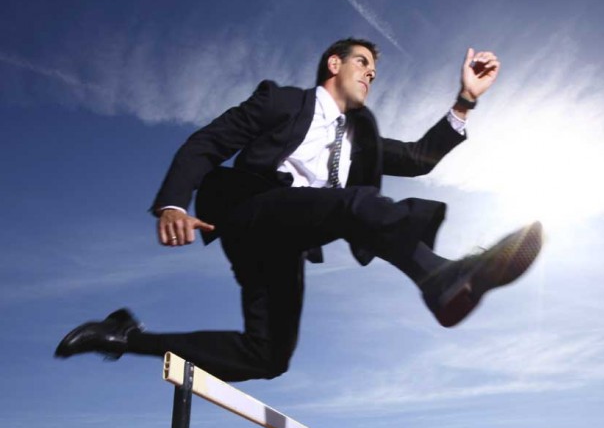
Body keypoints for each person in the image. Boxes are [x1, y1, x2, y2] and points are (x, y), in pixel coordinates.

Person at [54, 37, 542, 382]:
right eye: (362, 63)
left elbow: (418, 158)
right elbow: (207, 143)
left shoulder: (363, 137)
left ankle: (124, 337)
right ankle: (439, 276)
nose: (370, 74)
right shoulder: (281, 102)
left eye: (374, 72)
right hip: (248, 210)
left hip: (288, 240)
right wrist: (172, 204)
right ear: (334, 64)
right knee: (357, 204)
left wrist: (465, 100)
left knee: (268, 356)